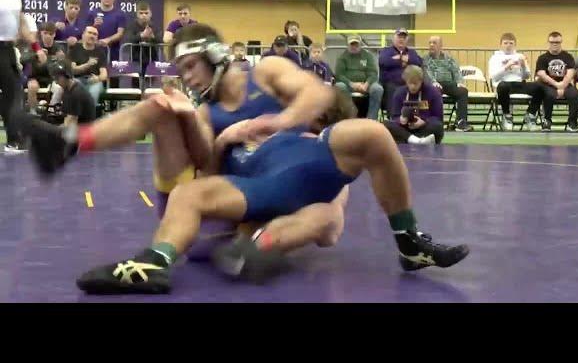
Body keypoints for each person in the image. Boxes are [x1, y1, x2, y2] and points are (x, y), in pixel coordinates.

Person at [14, 23, 350, 270]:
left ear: (216, 55)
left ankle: (256, 246)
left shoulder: (267, 73)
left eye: (190, 67)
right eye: (181, 70)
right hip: (213, 206)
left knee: (329, 214)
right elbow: (209, 169)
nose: (187, 78)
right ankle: (67, 142)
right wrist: (214, 134)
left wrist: (276, 124)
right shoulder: (207, 112)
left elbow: (316, 94)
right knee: (164, 106)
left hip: (261, 210)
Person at [74, 101, 470, 294]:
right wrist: (226, 139)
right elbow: (207, 170)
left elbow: (330, 224)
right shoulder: (232, 142)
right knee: (188, 193)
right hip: (255, 189)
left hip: (308, 171)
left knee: (371, 134)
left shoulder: (307, 137)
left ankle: (409, 240)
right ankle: (154, 262)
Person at [0, 0, 46, 153]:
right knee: (11, 94)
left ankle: (13, 140)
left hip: (9, 50)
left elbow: (23, 27)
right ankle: (13, 139)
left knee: (14, 93)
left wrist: (37, 48)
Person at [488, 32, 542, 131]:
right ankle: (507, 116)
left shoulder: (520, 56)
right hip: (503, 84)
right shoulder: (495, 58)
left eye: (511, 43)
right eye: (505, 43)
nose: (508, 46)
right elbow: (493, 76)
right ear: (501, 45)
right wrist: (506, 67)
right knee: (503, 86)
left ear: (515, 45)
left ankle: (530, 115)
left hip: (519, 84)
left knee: (539, 87)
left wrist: (523, 66)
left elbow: (527, 75)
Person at [383, 65, 444, 145]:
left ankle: (408, 139)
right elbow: (394, 116)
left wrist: (424, 122)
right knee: (386, 124)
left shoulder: (433, 92)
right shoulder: (399, 93)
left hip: (424, 127)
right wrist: (401, 120)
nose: (413, 86)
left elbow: (438, 117)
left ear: (421, 81)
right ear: (406, 81)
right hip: (405, 128)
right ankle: (416, 140)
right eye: (410, 83)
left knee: (437, 126)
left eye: (416, 83)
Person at [534, 31, 578, 132]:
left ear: (561, 42)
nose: (555, 44)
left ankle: (572, 123)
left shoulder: (567, 56)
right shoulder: (542, 58)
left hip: (565, 84)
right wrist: (556, 85)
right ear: (549, 42)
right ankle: (547, 121)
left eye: (557, 42)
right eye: (552, 42)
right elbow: (541, 74)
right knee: (549, 94)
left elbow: (571, 72)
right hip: (548, 85)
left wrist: (562, 86)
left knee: (574, 94)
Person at [422, 35, 472, 131]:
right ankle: (437, 122)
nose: (431, 45)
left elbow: (456, 71)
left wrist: (459, 82)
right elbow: (426, 72)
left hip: (449, 83)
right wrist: (433, 82)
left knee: (463, 91)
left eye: (434, 43)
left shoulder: (449, 58)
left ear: (441, 46)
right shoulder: (425, 59)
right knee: (435, 91)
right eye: (430, 43)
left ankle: (461, 122)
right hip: (435, 84)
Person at [334, 35, 383, 119]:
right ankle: (349, 116)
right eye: (352, 44)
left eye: (356, 44)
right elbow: (339, 74)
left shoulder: (368, 56)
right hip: (348, 85)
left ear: (360, 45)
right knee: (339, 86)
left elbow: (373, 73)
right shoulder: (342, 57)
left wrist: (366, 84)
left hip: (365, 84)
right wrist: (351, 84)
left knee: (378, 89)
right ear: (348, 45)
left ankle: (371, 119)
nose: (354, 47)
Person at [378, 28, 422, 112]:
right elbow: (384, 61)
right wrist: (402, 59)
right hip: (392, 83)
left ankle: (422, 115)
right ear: (393, 38)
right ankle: (394, 117)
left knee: (422, 87)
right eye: (399, 37)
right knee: (393, 88)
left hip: (409, 83)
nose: (401, 39)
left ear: (407, 40)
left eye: (404, 38)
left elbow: (418, 62)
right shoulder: (386, 51)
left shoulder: (411, 52)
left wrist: (405, 60)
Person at [49, 59, 96, 125]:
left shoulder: (76, 93)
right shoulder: (67, 89)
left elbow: (71, 122)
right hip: (76, 126)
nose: (56, 82)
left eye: (57, 78)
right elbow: (67, 117)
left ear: (67, 76)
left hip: (84, 130)